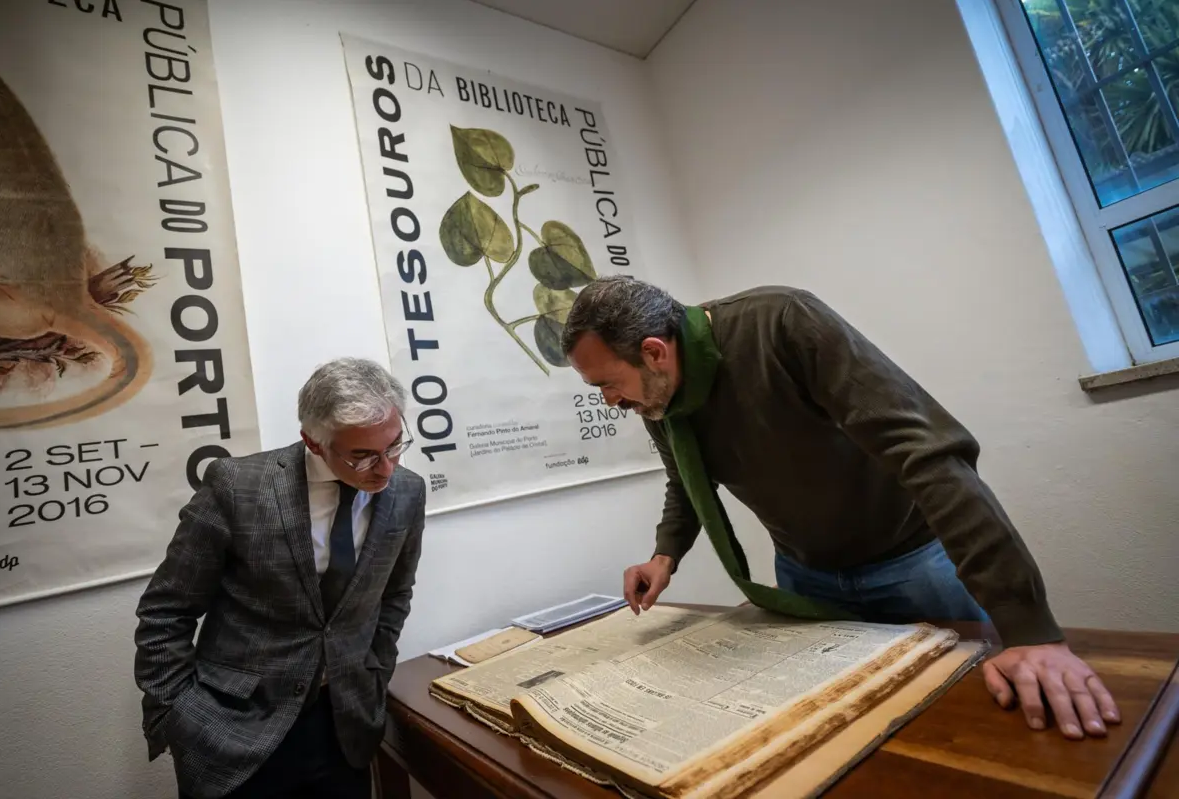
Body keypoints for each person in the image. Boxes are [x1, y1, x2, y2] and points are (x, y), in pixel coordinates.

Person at [561, 276, 1119, 742]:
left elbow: (928, 455)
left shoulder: (781, 322)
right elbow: (686, 477)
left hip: (913, 563)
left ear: (654, 351)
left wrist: (1029, 631)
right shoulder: (658, 398)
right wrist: (665, 554)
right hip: (805, 578)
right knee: (840, 730)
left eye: (608, 385)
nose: (610, 402)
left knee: (973, 722)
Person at [133, 357, 426, 799]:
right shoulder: (238, 487)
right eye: (363, 456)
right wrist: (178, 715)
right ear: (313, 441)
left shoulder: (407, 491)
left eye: (395, 445)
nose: (386, 468)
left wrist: (375, 671)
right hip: (236, 729)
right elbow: (166, 609)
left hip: (345, 724)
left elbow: (395, 593)